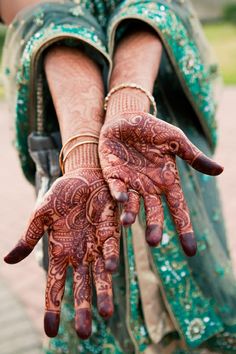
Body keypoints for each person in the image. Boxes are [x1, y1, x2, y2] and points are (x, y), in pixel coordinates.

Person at [1, 0, 236, 353]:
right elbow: (40, 13)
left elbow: (155, 4)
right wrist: (82, 153)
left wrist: (128, 103)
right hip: (69, 139)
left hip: (160, 142)